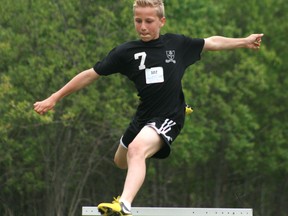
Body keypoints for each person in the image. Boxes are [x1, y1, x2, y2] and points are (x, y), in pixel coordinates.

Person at [34, 0, 263, 215]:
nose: (142, 27)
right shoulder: (125, 52)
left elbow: (211, 42)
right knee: (120, 161)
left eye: (149, 21)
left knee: (136, 150)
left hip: (171, 115)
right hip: (143, 117)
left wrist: (244, 41)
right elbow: (90, 75)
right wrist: (55, 97)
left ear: (161, 21)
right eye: (138, 21)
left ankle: (124, 204)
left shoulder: (176, 44)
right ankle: (138, 157)